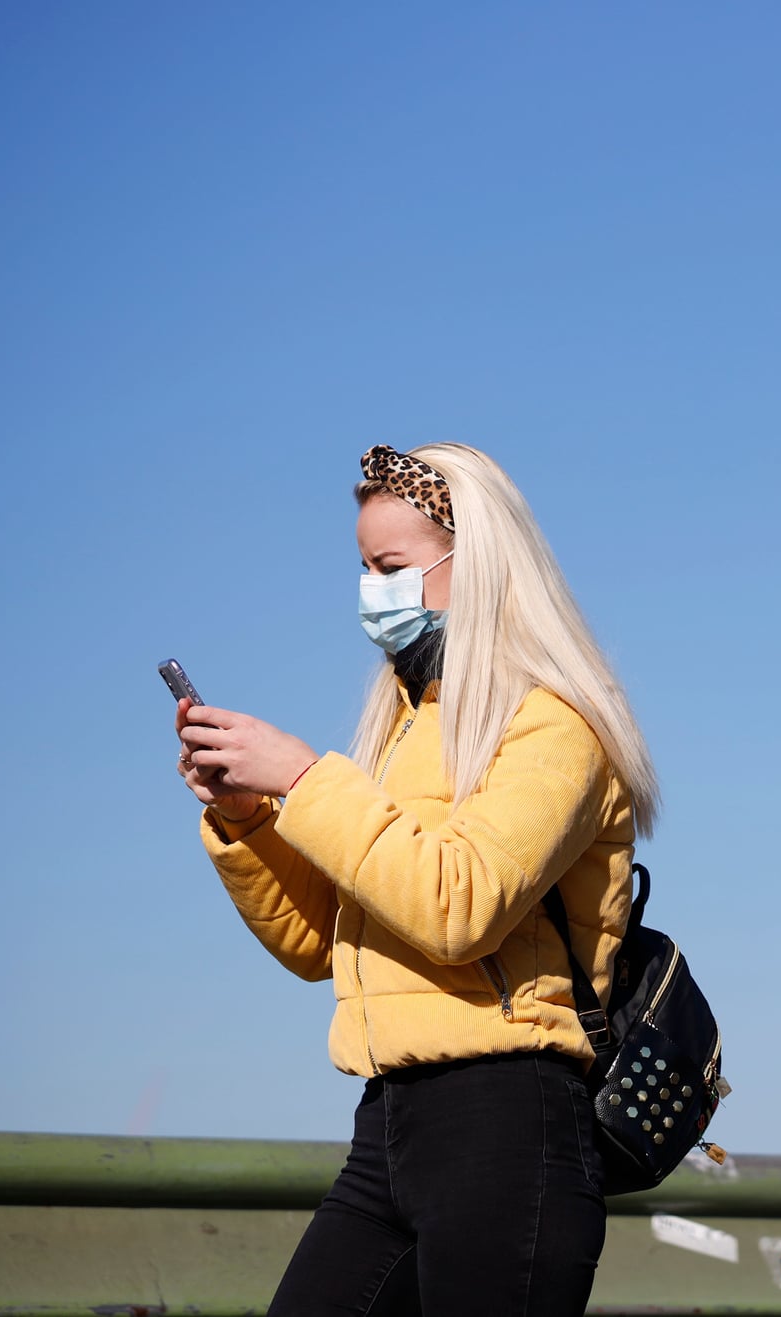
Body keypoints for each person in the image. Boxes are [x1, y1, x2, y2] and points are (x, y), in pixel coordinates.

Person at [173, 442, 660, 1316]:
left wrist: (303, 779)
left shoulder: (555, 725)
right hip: (386, 1124)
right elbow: (321, 944)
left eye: (390, 566)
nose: (372, 589)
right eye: (364, 566)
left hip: (509, 1125)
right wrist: (248, 818)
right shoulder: (401, 728)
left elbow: (456, 909)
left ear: (475, 565)